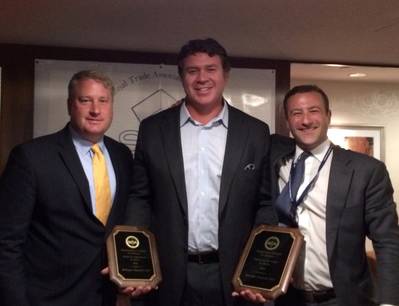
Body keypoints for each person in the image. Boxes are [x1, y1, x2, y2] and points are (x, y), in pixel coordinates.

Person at [125, 38, 277, 306]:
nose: (202, 78)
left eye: (211, 69)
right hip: (169, 275)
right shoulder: (153, 129)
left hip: (233, 277)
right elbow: (140, 198)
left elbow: (264, 204)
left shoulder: (255, 132)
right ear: (181, 77)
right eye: (192, 70)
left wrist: (260, 269)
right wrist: (132, 262)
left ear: (225, 75)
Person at [0, 70, 134, 306]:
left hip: (106, 297)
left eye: (103, 101)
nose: (95, 109)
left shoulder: (122, 156)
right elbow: (7, 242)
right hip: (46, 298)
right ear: (70, 105)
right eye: (85, 100)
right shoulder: (31, 157)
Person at [270, 84, 399, 306]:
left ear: (329, 115)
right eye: (296, 113)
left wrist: (389, 302)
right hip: (286, 298)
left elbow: (387, 240)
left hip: (343, 299)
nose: (306, 120)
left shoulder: (365, 170)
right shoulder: (274, 158)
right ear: (287, 120)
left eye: (314, 111)